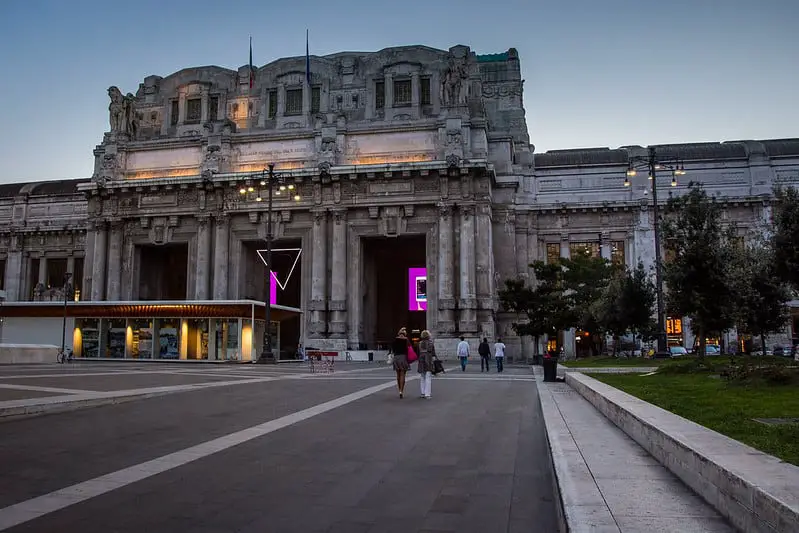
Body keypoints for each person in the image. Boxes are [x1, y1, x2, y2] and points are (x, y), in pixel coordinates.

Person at [390, 327, 410, 398]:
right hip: (403, 357)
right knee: (402, 375)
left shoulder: (395, 339)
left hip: (396, 358)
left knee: (398, 375)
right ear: (404, 334)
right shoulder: (406, 340)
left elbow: (392, 349)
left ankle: (399, 390)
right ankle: (401, 390)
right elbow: (409, 348)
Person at [418, 330, 436, 399]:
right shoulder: (430, 343)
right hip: (428, 359)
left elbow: (418, 352)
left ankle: (422, 392)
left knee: (422, 377)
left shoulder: (420, 343)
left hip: (421, 359)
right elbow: (433, 353)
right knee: (428, 377)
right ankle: (427, 394)